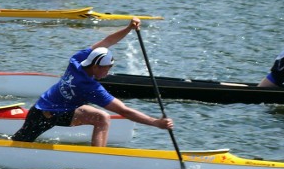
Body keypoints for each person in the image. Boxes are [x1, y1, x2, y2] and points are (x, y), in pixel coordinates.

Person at [11, 18, 173, 146]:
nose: (107, 72)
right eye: (105, 69)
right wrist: (156, 123)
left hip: (63, 109)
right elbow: (125, 111)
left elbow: (107, 41)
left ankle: (98, 158)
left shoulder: (78, 60)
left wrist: (129, 28)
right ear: (95, 66)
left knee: (101, 118)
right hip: (43, 114)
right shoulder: (89, 87)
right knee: (18, 144)